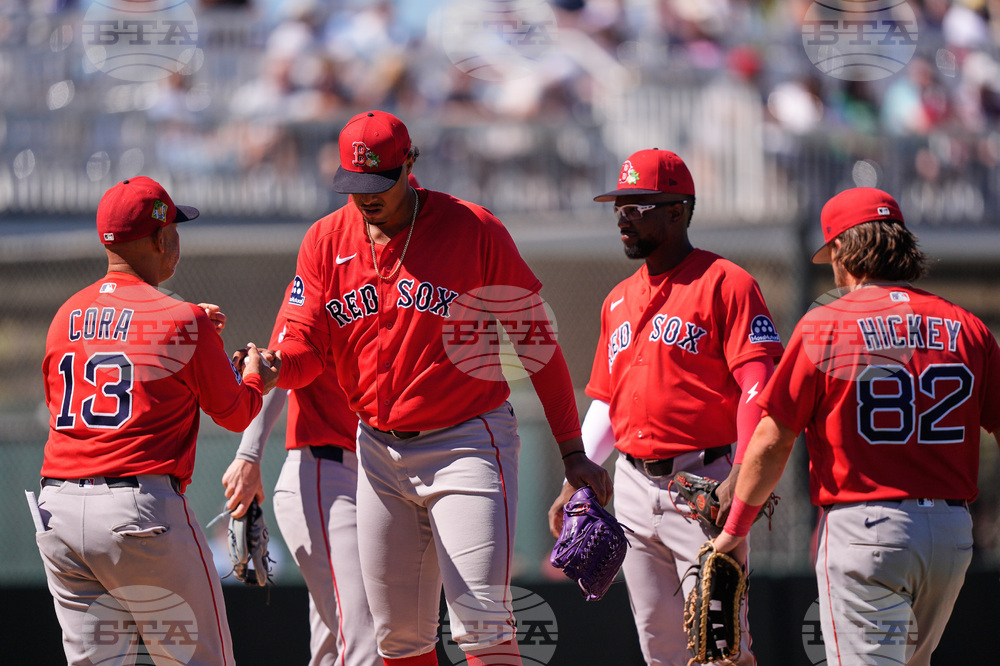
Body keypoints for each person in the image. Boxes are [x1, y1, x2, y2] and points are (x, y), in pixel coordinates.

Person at [270, 109, 612, 666]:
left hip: (467, 442)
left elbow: (536, 344)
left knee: (479, 623)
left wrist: (573, 452)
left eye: (381, 181)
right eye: (356, 185)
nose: (368, 197)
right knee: (398, 639)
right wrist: (271, 367)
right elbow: (304, 349)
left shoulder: (472, 228)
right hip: (377, 449)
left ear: (410, 165)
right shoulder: (326, 239)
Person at [715, 187, 1000, 665]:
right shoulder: (968, 327)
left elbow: (771, 438)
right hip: (951, 536)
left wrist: (736, 528)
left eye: (832, 256)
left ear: (846, 250)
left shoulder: (826, 325)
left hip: (867, 530)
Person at [548, 149, 784, 665]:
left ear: (677, 210)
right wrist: (576, 478)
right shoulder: (616, 299)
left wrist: (742, 472)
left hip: (703, 485)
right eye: (620, 206)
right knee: (659, 647)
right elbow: (608, 399)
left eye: (638, 205)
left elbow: (757, 390)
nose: (623, 216)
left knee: (722, 647)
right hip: (632, 487)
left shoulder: (727, 284)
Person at [31, 176, 279, 666]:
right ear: (161, 239)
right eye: (175, 230)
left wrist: (190, 327)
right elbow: (236, 413)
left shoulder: (65, 314)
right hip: (138, 514)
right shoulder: (180, 319)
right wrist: (256, 377)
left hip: (57, 509)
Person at [222, 280, 380, 666]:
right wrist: (248, 454)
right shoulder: (329, 272)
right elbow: (273, 365)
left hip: (371, 478)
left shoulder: (405, 283)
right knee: (366, 633)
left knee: (332, 644)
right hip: (324, 475)